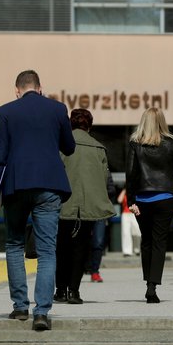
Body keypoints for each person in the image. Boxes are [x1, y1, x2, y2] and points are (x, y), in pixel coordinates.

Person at [0, 70, 75, 331]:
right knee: (47, 250)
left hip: (15, 186)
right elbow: (69, 147)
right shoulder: (57, 109)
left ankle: (20, 307)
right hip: (49, 185)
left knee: (14, 245)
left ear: (17, 90)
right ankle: (42, 312)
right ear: (40, 88)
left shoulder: (5, 112)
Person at [54, 109, 115, 304]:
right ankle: (74, 291)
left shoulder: (61, 144)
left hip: (64, 203)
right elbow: (105, 179)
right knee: (81, 248)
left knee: (61, 248)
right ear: (90, 125)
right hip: (89, 205)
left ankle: (60, 290)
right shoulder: (99, 148)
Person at [126, 108, 173, 303]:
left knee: (146, 242)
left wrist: (131, 201)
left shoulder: (135, 143)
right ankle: (152, 286)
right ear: (162, 121)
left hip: (142, 200)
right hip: (165, 197)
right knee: (159, 242)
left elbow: (131, 174)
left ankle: (148, 282)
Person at [117, 187, 141, 257]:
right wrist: (124, 190)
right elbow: (119, 200)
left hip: (134, 214)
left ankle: (137, 249)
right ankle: (127, 251)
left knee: (137, 232)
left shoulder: (135, 192)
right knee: (126, 233)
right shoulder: (124, 193)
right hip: (125, 214)